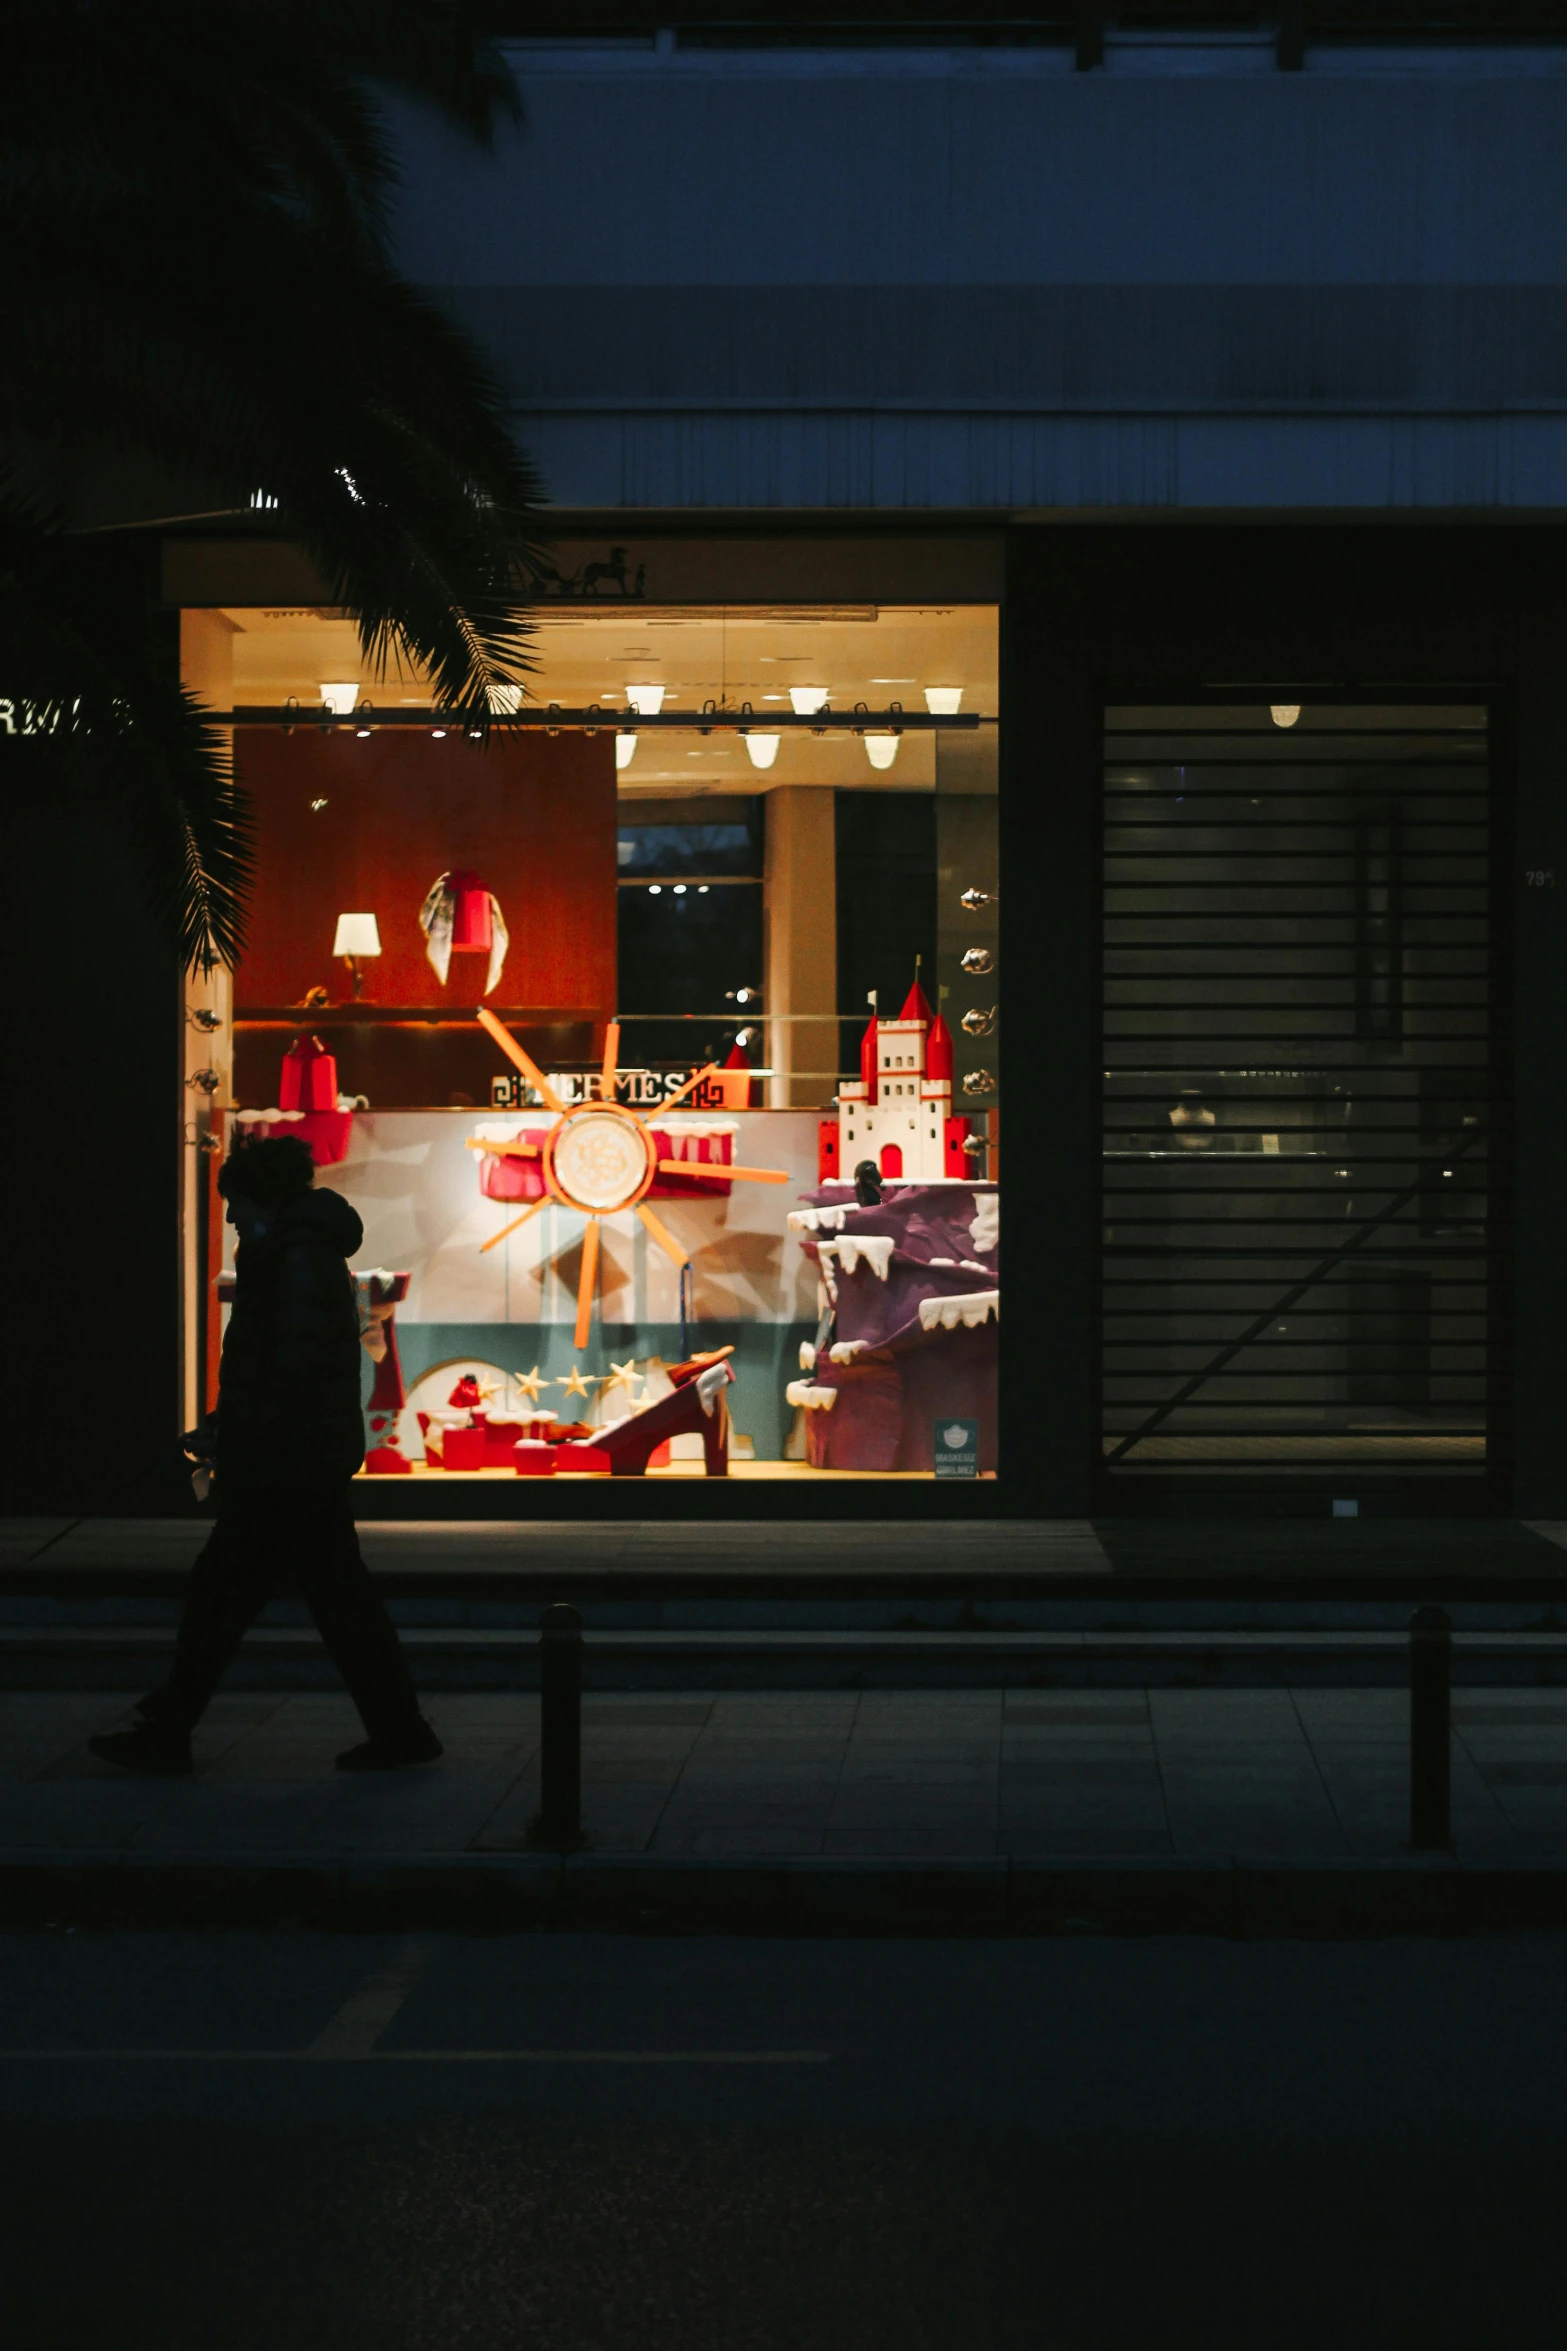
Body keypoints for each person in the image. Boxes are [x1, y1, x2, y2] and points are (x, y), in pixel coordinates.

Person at [91, 1135, 442, 1776]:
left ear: (265, 1199)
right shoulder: (295, 1254)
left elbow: (291, 1369)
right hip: (296, 1460)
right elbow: (287, 1365)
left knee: (225, 1597)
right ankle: (398, 1729)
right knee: (331, 1602)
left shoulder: (291, 1260)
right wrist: (229, 1425)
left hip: (284, 1466)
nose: (229, 1216)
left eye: (235, 1201)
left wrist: (238, 1432)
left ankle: (170, 1728)